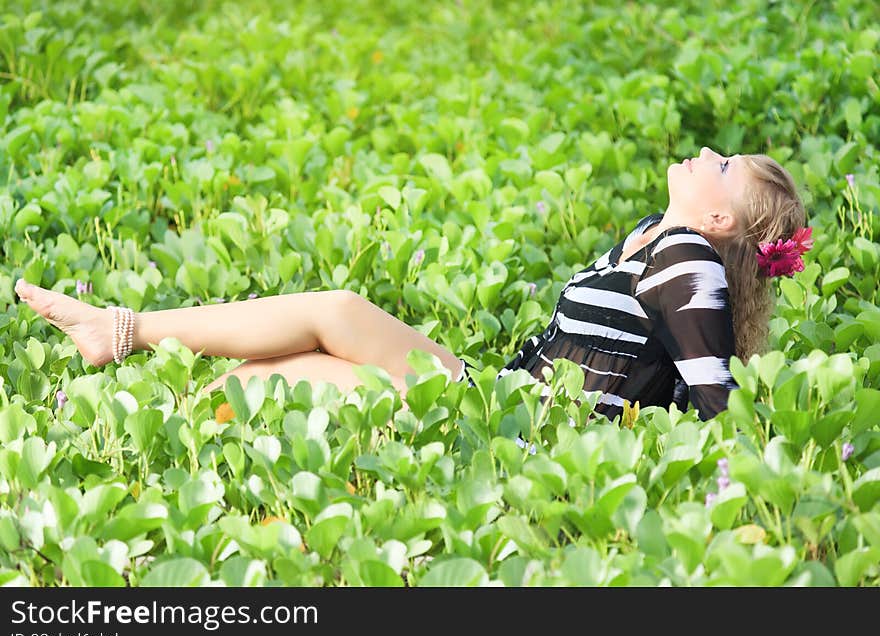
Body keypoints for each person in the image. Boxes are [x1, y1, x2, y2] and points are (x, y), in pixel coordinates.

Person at [13, 147, 809, 424]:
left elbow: (716, 396)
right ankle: (120, 332)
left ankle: (110, 380)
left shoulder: (687, 258)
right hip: (502, 396)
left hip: (526, 434)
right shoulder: (653, 237)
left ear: (720, 219)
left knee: (286, 376)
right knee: (336, 310)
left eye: (725, 168)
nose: (708, 154)